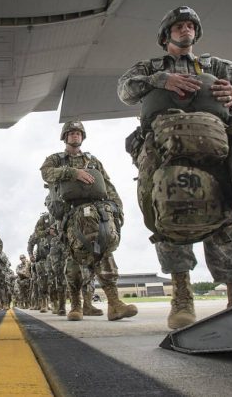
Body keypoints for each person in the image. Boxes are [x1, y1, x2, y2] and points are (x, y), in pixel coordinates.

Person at [117, 6, 232, 329]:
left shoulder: (219, 66)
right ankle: (181, 295)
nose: (185, 30)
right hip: (162, 148)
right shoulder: (150, 67)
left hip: (215, 145)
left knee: (225, 212)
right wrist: (160, 80)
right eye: (179, 26)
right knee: (165, 214)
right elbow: (125, 91)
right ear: (166, 34)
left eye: (190, 26)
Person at [40, 121, 138, 322]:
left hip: (96, 213)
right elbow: (46, 173)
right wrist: (73, 173)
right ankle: (75, 305)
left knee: (104, 251)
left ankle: (114, 304)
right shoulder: (56, 160)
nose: (75, 136)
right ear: (65, 137)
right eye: (71, 133)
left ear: (82, 137)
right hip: (71, 214)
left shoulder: (93, 161)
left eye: (78, 133)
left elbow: (107, 185)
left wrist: (117, 210)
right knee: (73, 258)